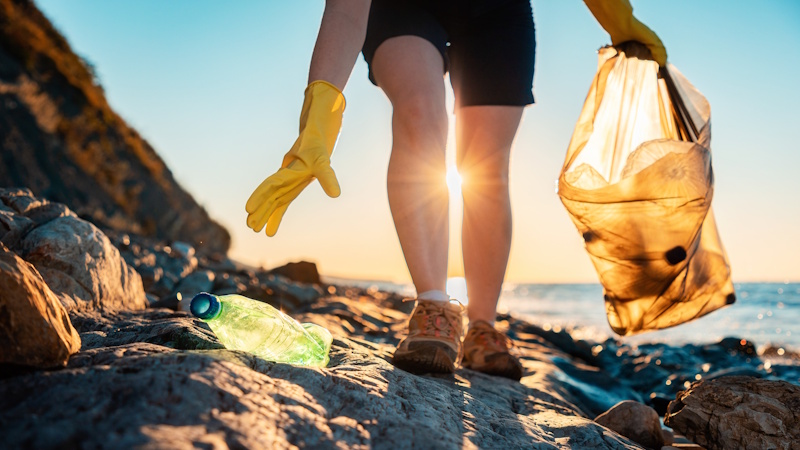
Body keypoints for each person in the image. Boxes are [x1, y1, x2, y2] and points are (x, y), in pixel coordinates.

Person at [245, 0, 666, 380]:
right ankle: (433, 306)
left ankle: (482, 325)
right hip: (401, 8)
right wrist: (319, 115)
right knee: (419, 111)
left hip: (496, 14)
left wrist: (619, 19)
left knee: (485, 166)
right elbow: (346, 9)